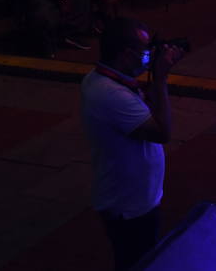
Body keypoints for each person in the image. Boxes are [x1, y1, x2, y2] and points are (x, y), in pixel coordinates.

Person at [81, 17, 183, 271]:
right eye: (146, 52)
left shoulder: (106, 80)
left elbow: (142, 109)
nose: (148, 57)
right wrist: (160, 79)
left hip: (133, 198)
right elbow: (162, 132)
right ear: (126, 54)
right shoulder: (110, 93)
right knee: (137, 262)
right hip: (129, 206)